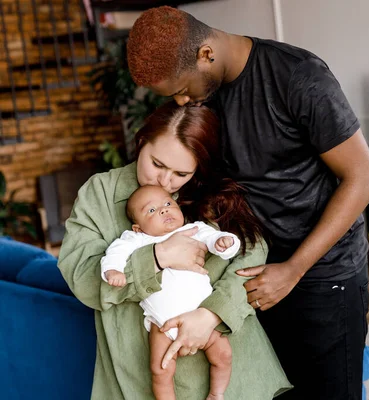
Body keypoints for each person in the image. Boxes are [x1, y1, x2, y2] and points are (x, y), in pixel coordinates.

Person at [126, 6, 369, 400]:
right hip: (247, 277)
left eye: (182, 88)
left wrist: (294, 269)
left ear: (205, 54)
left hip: (319, 274)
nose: (180, 101)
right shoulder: (200, 97)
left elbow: (363, 178)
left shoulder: (299, 76)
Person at [57, 101, 292, 400]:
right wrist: (158, 257)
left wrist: (210, 315)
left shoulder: (212, 190)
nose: (165, 182)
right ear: (141, 141)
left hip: (230, 372)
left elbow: (250, 253)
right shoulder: (100, 193)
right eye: (157, 164)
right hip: (140, 374)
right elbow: (81, 277)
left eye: (181, 173)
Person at [101, 184, 241, 400]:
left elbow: (215, 240)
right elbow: (116, 251)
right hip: (163, 323)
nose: (164, 210)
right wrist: (113, 270)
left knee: (224, 355)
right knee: (160, 369)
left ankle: (217, 393)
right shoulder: (137, 239)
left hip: (202, 315)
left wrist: (224, 242)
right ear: (137, 227)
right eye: (151, 210)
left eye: (167, 203)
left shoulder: (194, 230)